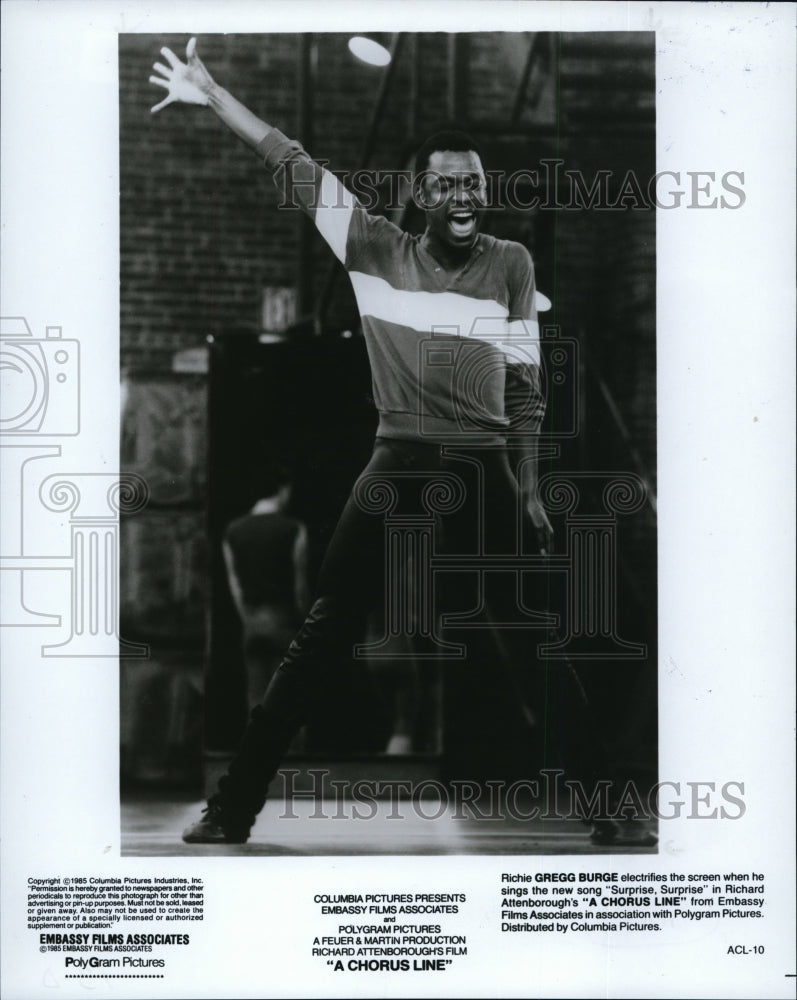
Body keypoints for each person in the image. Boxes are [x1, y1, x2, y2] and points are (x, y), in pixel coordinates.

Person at [150, 38, 656, 847]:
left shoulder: (511, 264)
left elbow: (525, 389)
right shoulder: (373, 246)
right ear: (421, 194)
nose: (463, 193)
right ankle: (232, 806)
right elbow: (293, 159)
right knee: (322, 634)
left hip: (482, 469)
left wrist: (526, 484)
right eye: (448, 181)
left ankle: (611, 808)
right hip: (394, 468)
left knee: (532, 643)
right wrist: (213, 97)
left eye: (474, 182)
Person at [222, 470, 309, 713]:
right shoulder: (293, 528)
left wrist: (249, 619)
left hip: (251, 623)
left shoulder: (232, 531)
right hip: (285, 621)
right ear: (282, 489)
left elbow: (235, 588)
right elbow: (299, 586)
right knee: (290, 699)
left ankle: (258, 750)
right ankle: (290, 751)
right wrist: (304, 623)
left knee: (256, 699)